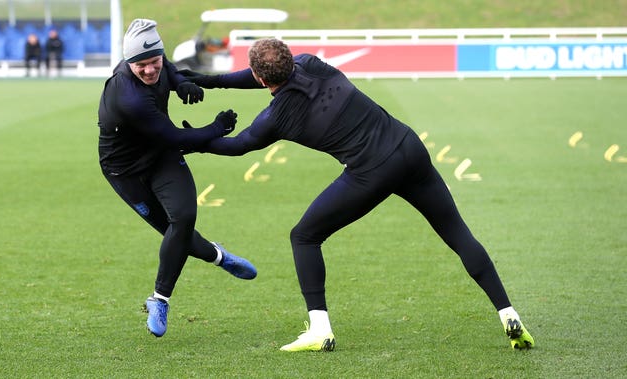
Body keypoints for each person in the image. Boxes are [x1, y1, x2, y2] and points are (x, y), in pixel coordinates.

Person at [179, 38, 535, 352]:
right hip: (408, 147)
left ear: (260, 78)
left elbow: (238, 145)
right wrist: (208, 82)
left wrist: (197, 139)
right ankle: (508, 314)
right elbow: (259, 76)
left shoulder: (276, 118)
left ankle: (320, 330)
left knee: (304, 236)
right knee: (457, 232)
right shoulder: (310, 63)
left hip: (371, 171)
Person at [97, 19, 257, 338]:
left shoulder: (159, 63)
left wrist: (180, 81)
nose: (149, 70)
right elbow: (175, 137)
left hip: (160, 157)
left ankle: (159, 299)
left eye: (153, 62)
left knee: (183, 219)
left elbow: (167, 66)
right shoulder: (128, 96)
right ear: (129, 64)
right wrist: (216, 127)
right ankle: (219, 256)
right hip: (125, 170)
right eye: (140, 65)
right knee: (173, 231)